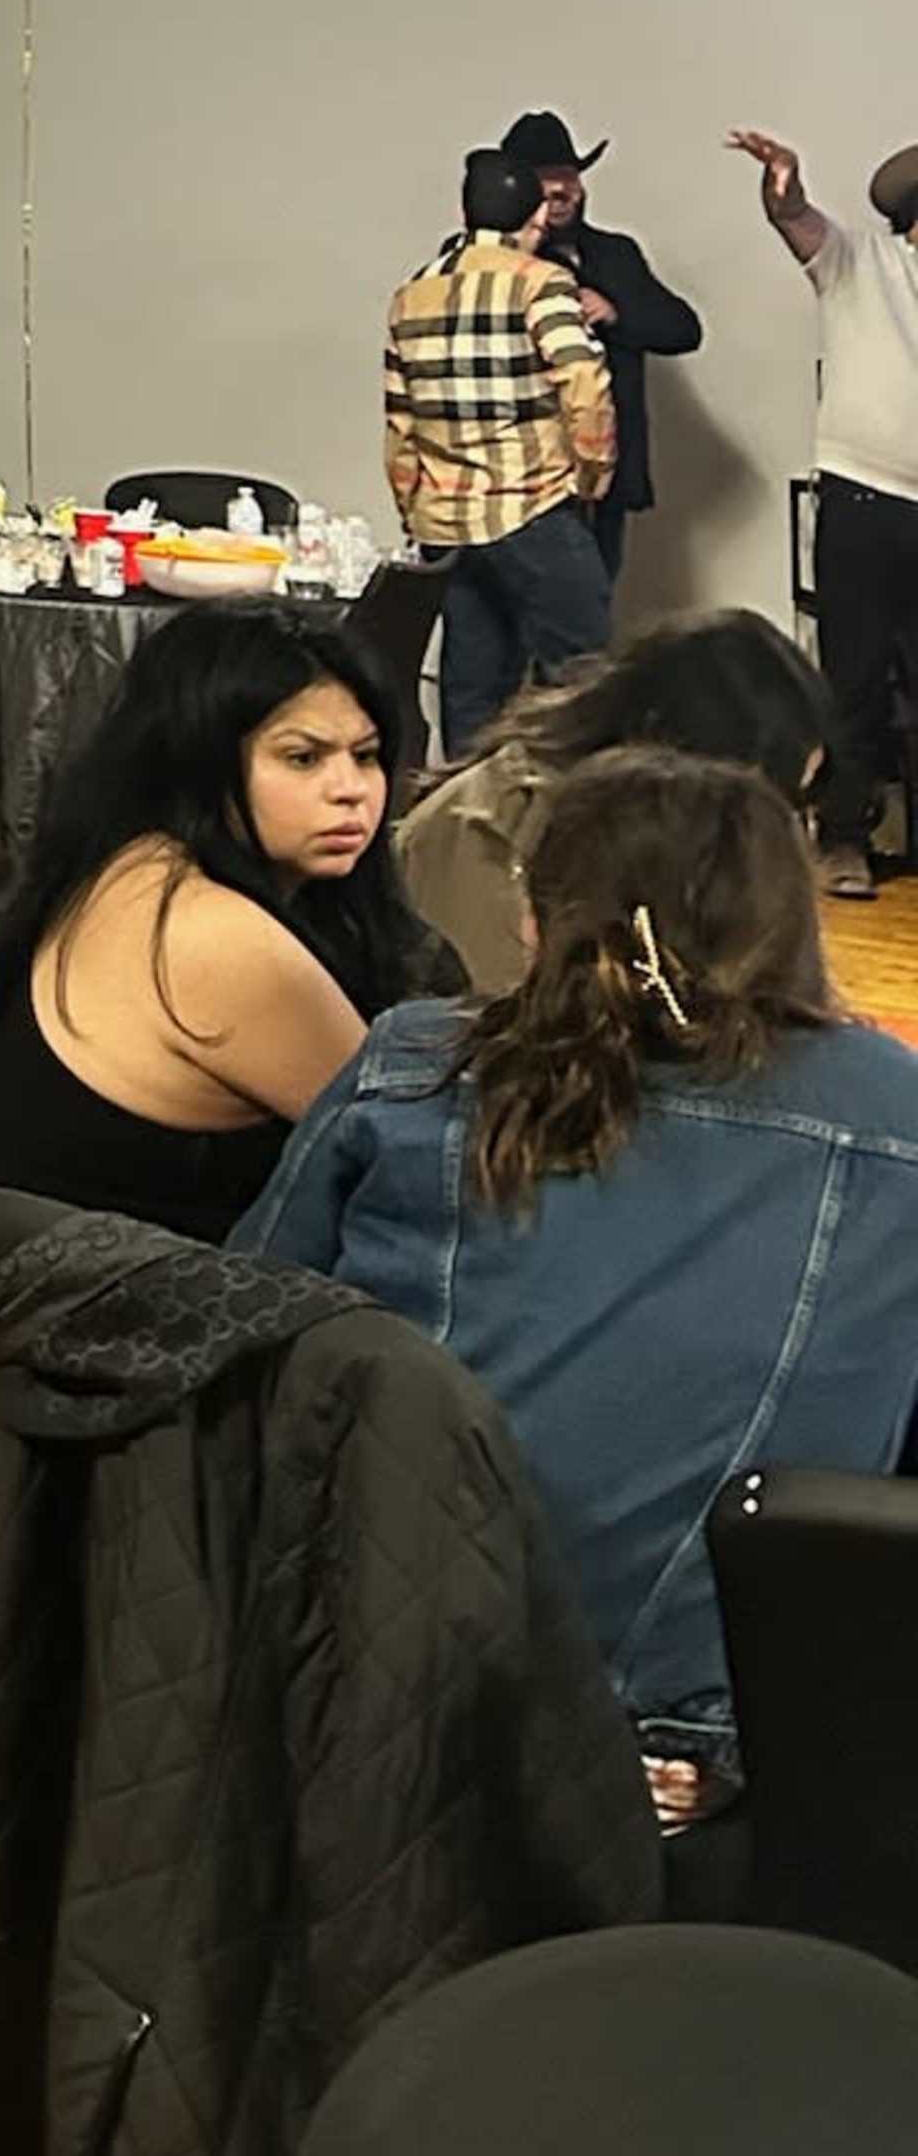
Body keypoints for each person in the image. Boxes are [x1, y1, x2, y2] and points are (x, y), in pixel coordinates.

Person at [242, 746, 918, 1771]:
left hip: (375, 1691)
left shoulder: (417, 1063)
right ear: (794, 921)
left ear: (534, 916)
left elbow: (246, 1322)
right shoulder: (892, 1111)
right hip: (716, 1739)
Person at [0, 610, 433, 1241]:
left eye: (366, 755)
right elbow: (426, 1165)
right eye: (302, 758)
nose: (351, 789)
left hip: (77, 1279)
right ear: (199, 761)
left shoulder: (125, 864)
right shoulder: (206, 932)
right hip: (146, 1297)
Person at [396, 610, 830, 998]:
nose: (782, 830)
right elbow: (501, 1032)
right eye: (775, 803)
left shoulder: (657, 830)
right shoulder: (489, 833)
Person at [730, 127, 918, 898]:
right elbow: (797, 221)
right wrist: (783, 187)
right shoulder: (861, 262)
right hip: (863, 497)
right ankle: (844, 837)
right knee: (855, 678)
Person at [383, 146, 617, 754]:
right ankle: (581, 809)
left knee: (470, 692)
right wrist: (592, 471)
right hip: (532, 505)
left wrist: (414, 506)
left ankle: (470, 807)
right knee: (586, 684)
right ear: (535, 216)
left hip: (447, 521)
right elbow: (583, 381)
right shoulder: (541, 282)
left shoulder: (413, 294)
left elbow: (400, 422)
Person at [500, 109, 702, 593]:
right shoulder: (492, 260)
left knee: (592, 611)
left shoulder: (616, 254)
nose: (559, 189)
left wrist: (615, 314)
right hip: (522, 478)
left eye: (568, 175)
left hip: (605, 479)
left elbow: (683, 329)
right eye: (543, 179)